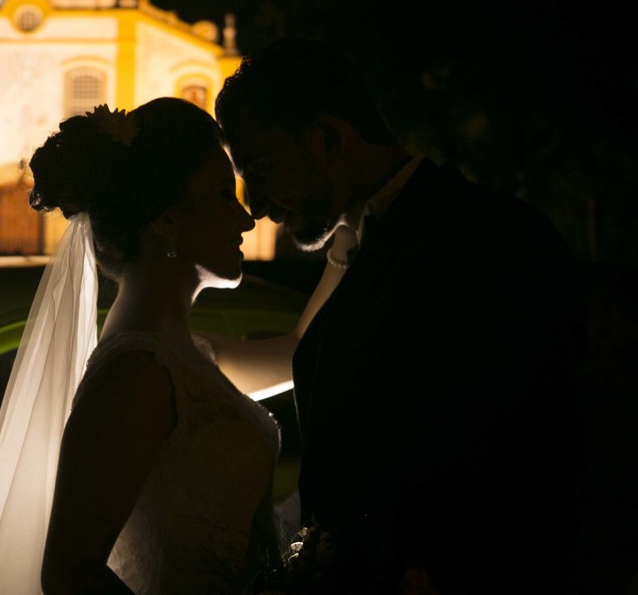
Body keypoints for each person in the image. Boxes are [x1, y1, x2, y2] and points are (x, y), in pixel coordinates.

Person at [214, 38, 588, 595]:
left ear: (328, 139)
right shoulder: (352, 247)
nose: (258, 205)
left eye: (262, 169)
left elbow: (530, 457)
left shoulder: (493, 241)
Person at [0, 97, 284, 595]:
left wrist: (347, 233)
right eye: (221, 195)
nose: (247, 219)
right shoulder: (134, 376)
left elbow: (298, 349)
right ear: (167, 221)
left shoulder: (188, 354)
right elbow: (69, 572)